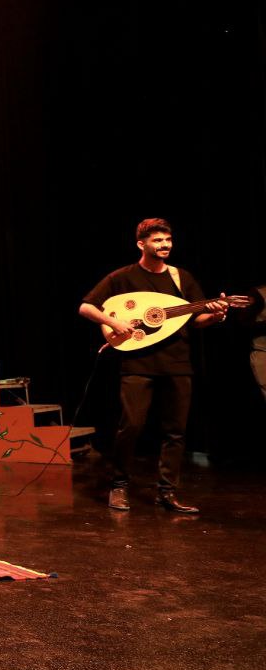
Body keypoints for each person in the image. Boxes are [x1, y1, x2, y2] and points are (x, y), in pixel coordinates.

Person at [78, 218, 229, 513]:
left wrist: (216, 315)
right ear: (141, 244)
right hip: (138, 362)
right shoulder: (123, 277)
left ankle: (167, 492)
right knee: (131, 426)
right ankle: (119, 486)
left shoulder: (181, 277)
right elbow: (86, 307)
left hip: (177, 362)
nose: (165, 245)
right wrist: (114, 323)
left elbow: (196, 319)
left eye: (168, 240)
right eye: (158, 240)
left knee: (176, 431)